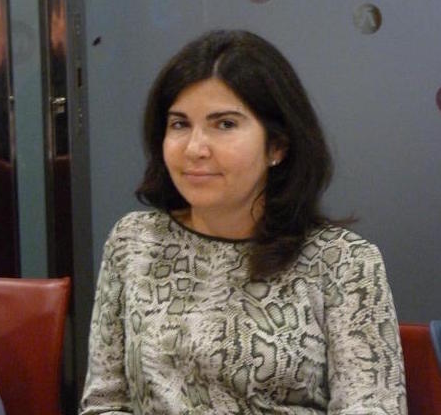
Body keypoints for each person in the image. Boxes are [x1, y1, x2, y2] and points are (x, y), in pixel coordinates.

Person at [79, 30, 407, 414]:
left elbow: (373, 407)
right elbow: (104, 401)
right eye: (180, 124)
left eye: (225, 125)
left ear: (277, 145)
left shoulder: (343, 262)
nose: (195, 149)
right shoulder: (133, 241)